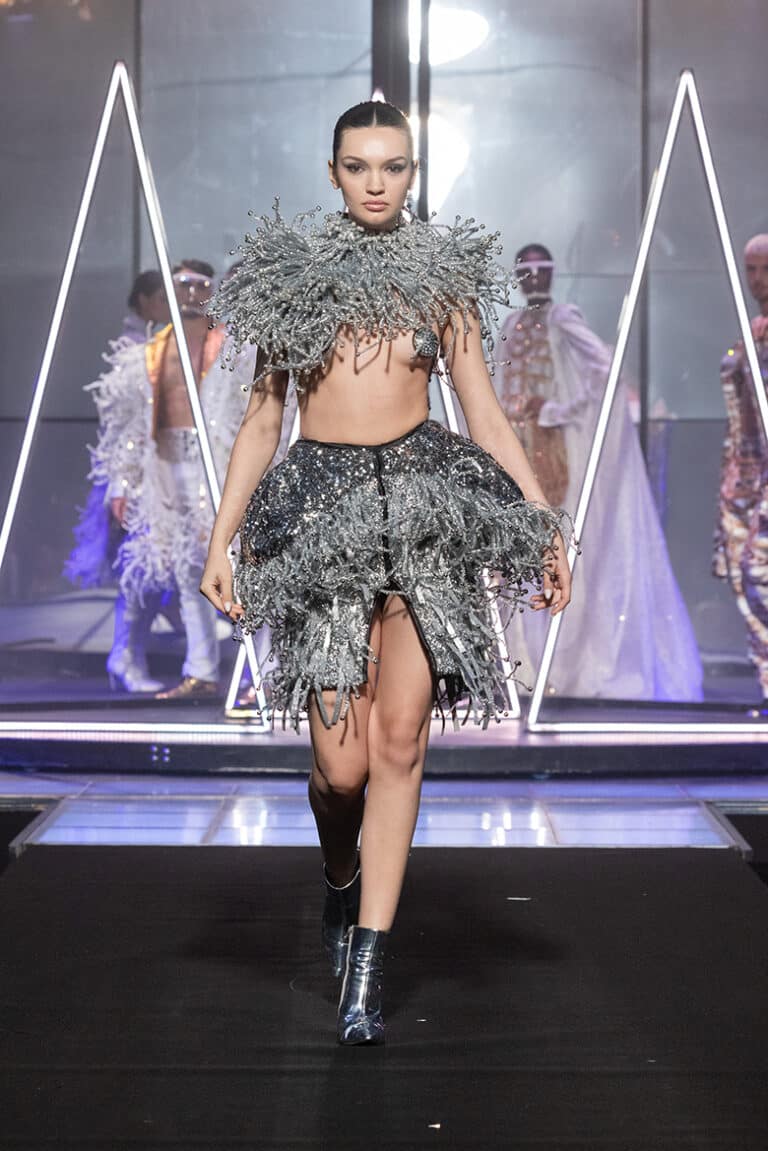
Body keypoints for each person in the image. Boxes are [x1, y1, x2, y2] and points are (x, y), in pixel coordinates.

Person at [202, 102, 571, 1046]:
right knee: (341, 765)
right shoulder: (290, 278)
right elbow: (261, 420)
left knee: (400, 741)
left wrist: (542, 523)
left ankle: (367, 966)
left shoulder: (442, 277)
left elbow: (483, 411)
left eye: (394, 166)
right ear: (331, 172)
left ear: (412, 173)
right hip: (321, 521)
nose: (376, 182)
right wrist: (221, 540)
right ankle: (339, 879)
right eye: (359, 166)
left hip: (424, 510)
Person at [498, 243, 702, 701]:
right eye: (524, 271)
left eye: (539, 271)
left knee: (566, 552)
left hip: (556, 452)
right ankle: (526, 667)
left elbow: (602, 368)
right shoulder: (509, 326)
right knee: (517, 557)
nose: (533, 279)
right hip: (516, 451)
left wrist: (556, 410)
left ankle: (568, 663)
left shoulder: (563, 318)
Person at [87, 261, 249, 700]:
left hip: (217, 466)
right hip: (163, 468)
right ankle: (200, 669)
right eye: (183, 284)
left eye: (202, 285)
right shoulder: (149, 352)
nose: (193, 292)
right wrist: (122, 482)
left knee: (238, 567)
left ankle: (259, 672)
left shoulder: (234, 347)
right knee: (181, 570)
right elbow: (128, 424)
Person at [66, 270, 171, 692]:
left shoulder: (164, 346)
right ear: (145, 301)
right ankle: (125, 656)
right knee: (140, 569)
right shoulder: (134, 351)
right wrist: (121, 483)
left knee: (159, 572)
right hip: (138, 476)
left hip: (162, 473)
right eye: (164, 297)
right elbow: (121, 425)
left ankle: (135, 655)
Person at [714, 233, 768, 697]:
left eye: (765, 269)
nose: (757, 280)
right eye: (751, 269)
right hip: (745, 473)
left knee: (758, 573)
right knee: (741, 574)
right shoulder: (752, 331)